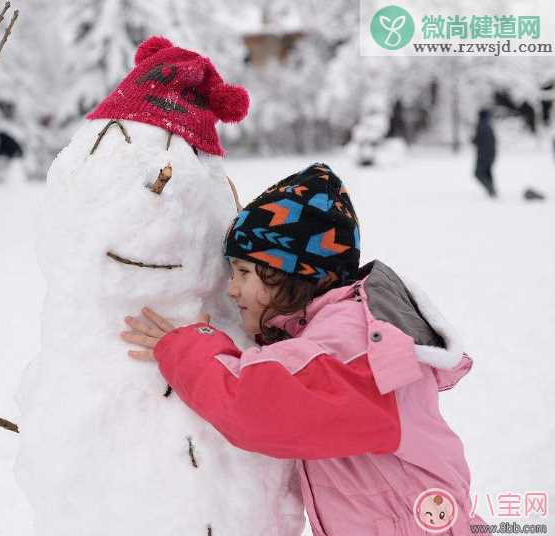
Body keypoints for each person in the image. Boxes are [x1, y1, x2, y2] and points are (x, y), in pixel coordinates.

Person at [120, 163, 487, 535]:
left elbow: (258, 408)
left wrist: (189, 347)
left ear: (294, 274)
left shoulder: (355, 341)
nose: (232, 290)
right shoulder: (335, 329)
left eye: (244, 273)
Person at [472, 109, 497, 197]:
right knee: (487, 173)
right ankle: (492, 191)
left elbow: (477, 140)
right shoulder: (488, 126)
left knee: (478, 173)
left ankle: (491, 189)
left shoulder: (481, 126)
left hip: (483, 156)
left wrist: (473, 140)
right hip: (490, 155)